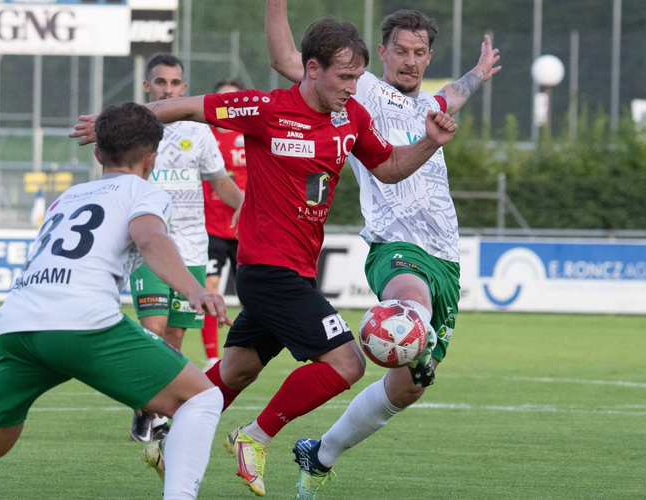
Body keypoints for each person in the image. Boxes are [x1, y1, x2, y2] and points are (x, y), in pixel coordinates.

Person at [72, 18, 457, 496]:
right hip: (266, 271)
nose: (353, 88)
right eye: (344, 78)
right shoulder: (264, 108)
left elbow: (392, 168)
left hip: (298, 271)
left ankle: (166, 437)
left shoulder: (351, 117)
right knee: (348, 365)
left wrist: (428, 143)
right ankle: (255, 437)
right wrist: (115, 122)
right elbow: (184, 106)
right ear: (311, 70)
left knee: (236, 371)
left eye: (358, 78)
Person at [0, 103, 230, 500]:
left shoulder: (68, 197)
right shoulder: (143, 190)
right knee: (203, 397)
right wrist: (194, 289)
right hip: (82, 323)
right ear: (151, 159)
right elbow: (151, 238)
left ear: (97, 154)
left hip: (17, 325)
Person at [265, 1, 501, 497]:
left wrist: (477, 73)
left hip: (445, 258)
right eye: (400, 51)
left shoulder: (428, 106)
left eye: (419, 52)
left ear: (428, 57)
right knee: (409, 306)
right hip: (395, 245)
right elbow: (287, 59)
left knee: (412, 386)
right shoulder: (362, 90)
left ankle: (321, 453)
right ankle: (403, 325)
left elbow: (454, 95)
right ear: (383, 53)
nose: (409, 60)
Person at [129, 54, 245, 443]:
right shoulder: (133, 131)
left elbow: (221, 182)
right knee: (154, 329)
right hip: (147, 245)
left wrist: (249, 207)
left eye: (174, 84)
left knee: (175, 339)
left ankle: (147, 405)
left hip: (192, 248)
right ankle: (158, 417)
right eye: (160, 83)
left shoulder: (200, 133)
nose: (167, 89)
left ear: (183, 88)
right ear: (148, 87)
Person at [201, 78, 249, 371]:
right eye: (222, 99)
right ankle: (210, 358)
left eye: (234, 99)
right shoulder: (202, 135)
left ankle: (247, 353)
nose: (228, 105)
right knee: (210, 289)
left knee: (251, 296)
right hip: (209, 228)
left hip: (245, 228)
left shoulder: (251, 134)